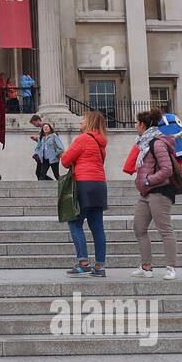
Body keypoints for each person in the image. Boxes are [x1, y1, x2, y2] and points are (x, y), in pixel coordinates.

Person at [123, 109, 179, 280]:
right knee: (139, 227)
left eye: (137, 123)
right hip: (146, 192)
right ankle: (146, 266)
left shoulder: (158, 143)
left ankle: (170, 268)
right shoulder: (145, 142)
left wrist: (148, 180)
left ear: (143, 125)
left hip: (160, 190)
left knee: (165, 229)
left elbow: (167, 169)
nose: (135, 127)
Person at [60, 111, 109, 277]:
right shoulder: (101, 143)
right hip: (99, 184)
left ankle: (83, 261)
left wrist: (63, 154)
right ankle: (100, 266)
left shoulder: (83, 139)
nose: (80, 121)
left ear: (89, 122)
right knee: (97, 227)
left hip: (84, 183)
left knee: (74, 222)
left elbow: (66, 161)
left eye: (83, 119)